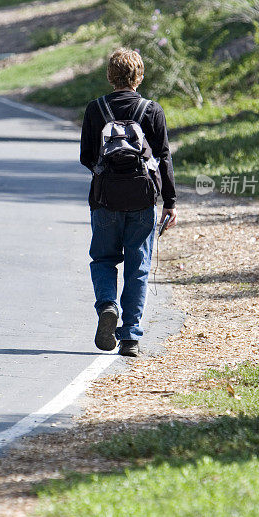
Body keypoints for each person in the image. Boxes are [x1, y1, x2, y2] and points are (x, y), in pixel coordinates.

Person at [80, 48, 177, 357]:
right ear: (140, 76)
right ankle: (131, 338)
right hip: (142, 198)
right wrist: (170, 202)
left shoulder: (96, 109)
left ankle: (108, 305)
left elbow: (86, 157)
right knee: (138, 266)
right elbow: (162, 158)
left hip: (105, 197)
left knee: (104, 260)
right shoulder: (152, 110)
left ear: (110, 76)